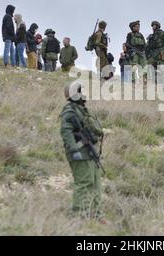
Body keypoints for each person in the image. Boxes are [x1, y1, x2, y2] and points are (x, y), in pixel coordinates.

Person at [60, 82, 106, 223]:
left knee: (96, 183)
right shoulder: (70, 111)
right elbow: (65, 131)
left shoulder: (82, 110)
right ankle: (78, 214)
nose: (83, 93)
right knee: (84, 182)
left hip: (89, 152)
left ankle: (97, 214)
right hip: (80, 152)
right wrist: (74, 149)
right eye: (80, 91)